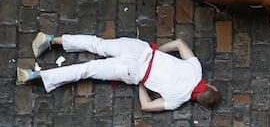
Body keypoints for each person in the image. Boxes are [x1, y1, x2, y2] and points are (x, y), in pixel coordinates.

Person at [17, 32, 221, 111]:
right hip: (132, 71)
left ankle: (51, 40)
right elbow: (146, 106)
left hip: (140, 50)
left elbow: (178, 43)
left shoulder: (196, 69)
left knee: (99, 44)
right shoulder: (178, 100)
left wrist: (157, 51)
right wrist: (143, 82)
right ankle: (38, 75)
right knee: (87, 70)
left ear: (209, 85)